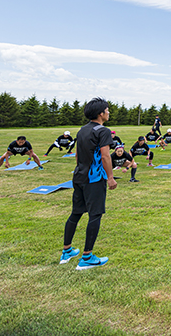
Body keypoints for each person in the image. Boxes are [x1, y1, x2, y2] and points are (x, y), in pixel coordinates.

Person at [60, 97, 117, 269]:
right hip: (94, 178)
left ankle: (67, 250)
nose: (108, 112)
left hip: (79, 176)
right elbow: (106, 156)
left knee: (76, 213)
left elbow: (77, 155)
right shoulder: (103, 131)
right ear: (100, 113)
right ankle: (87, 257)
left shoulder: (82, 130)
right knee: (95, 214)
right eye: (107, 110)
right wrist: (110, 177)